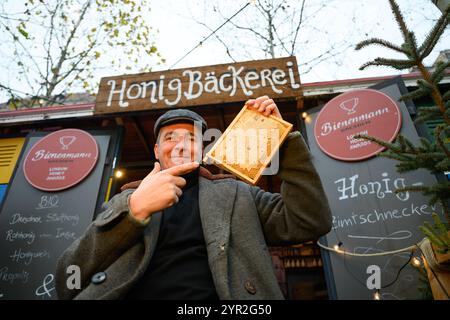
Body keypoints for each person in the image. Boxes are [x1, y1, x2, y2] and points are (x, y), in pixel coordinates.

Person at [55, 95, 332, 300]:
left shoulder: (237, 193)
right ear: (156, 150)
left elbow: (309, 221)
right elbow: (68, 277)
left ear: (202, 148)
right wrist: (134, 211)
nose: (180, 144)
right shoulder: (123, 200)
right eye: (170, 137)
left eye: (191, 137)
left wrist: (281, 141)